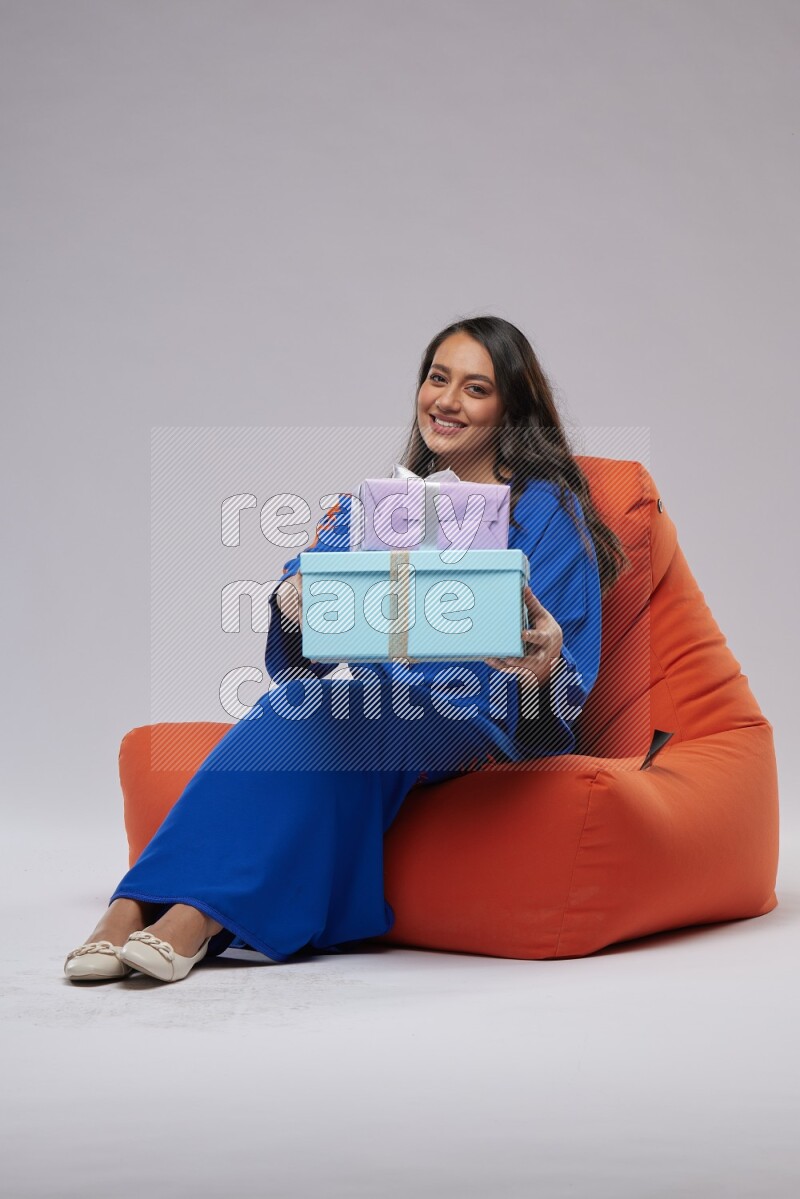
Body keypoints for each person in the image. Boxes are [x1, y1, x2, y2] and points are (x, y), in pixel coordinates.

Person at [63, 315, 628, 984]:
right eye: (436, 377)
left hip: (478, 721)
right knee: (299, 702)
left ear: (510, 408)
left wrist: (544, 667)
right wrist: (294, 601)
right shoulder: (385, 503)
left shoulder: (547, 512)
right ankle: (132, 905)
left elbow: (557, 703)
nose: (446, 400)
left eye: (475, 388)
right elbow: (306, 622)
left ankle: (195, 916)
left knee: (318, 706)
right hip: (372, 706)